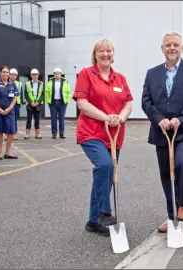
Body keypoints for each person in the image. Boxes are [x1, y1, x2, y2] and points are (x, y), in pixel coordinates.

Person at [142, 32, 183, 233]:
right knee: (166, 174)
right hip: (161, 131)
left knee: (182, 162)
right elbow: (146, 101)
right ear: (162, 49)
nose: (172, 48)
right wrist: (159, 119)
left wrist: (181, 119)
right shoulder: (152, 73)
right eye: (168, 45)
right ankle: (171, 218)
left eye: (176, 44)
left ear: (182, 48)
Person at [73, 39, 133, 236]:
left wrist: (121, 118)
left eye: (109, 51)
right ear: (95, 54)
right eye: (101, 51)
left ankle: (93, 221)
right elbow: (82, 103)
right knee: (105, 166)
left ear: (113, 54)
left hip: (114, 134)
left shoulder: (120, 79)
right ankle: (104, 212)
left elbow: (128, 104)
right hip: (91, 132)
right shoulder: (86, 74)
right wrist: (106, 117)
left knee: (105, 176)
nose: (105, 54)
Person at [0, 66, 19, 160]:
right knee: (0, 131)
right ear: (0, 73)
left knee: (11, 132)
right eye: (4, 72)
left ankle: (8, 152)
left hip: (10, 112)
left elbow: (15, 98)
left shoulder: (12, 84)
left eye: (7, 72)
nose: (6, 74)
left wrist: (10, 108)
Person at [46, 67, 72, 139]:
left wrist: (67, 101)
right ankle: (54, 134)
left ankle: (61, 133)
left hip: (62, 103)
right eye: (56, 74)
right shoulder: (50, 82)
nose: (57, 75)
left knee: (61, 118)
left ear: (61, 74)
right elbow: (47, 92)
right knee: (53, 118)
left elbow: (68, 92)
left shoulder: (65, 82)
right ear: (53, 75)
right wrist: (48, 101)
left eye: (58, 74)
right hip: (53, 102)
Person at [24, 69, 44, 139]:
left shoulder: (41, 84)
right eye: (33, 74)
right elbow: (26, 95)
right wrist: (31, 102)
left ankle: (37, 134)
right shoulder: (27, 83)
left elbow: (43, 95)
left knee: (37, 120)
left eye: (36, 74)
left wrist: (38, 102)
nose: (34, 76)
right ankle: (27, 134)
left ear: (38, 75)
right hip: (30, 104)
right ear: (31, 75)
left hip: (38, 105)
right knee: (29, 119)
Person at [8, 68, 22, 140]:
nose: (13, 76)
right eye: (12, 75)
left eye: (15, 75)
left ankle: (14, 134)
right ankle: (8, 134)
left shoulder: (19, 83)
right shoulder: (6, 82)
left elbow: (20, 93)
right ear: (9, 75)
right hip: (8, 103)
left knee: (14, 119)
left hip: (16, 103)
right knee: (7, 119)